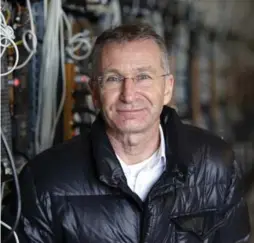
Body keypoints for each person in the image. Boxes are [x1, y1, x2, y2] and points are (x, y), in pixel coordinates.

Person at [2, 23, 250, 243]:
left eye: (143, 77)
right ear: (95, 93)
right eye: (113, 79)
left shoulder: (216, 165)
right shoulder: (44, 180)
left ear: (167, 88)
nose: (129, 95)